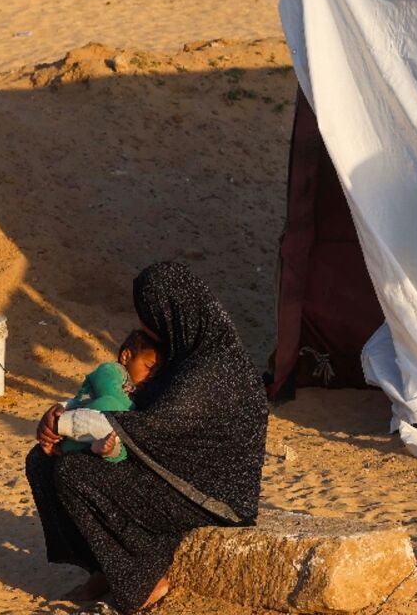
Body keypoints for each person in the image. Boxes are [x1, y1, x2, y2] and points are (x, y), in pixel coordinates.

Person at [26, 262, 269, 612]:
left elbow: (149, 425)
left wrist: (65, 425)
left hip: (210, 495)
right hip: (169, 469)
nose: (144, 328)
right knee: (42, 462)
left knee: (75, 473)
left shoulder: (212, 367)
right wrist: (59, 411)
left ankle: (143, 577)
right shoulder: (182, 353)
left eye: (150, 319)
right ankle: (105, 567)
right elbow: (128, 404)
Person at [53, 330, 161, 462]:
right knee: (109, 403)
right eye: (148, 367)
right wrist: (136, 418)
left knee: (123, 448)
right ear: (126, 357)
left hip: (98, 435)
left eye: (156, 372)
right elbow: (109, 393)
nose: (151, 375)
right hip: (81, 421)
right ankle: (68, 447)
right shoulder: (111, 370)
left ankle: (108, 451)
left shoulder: (138, 390)